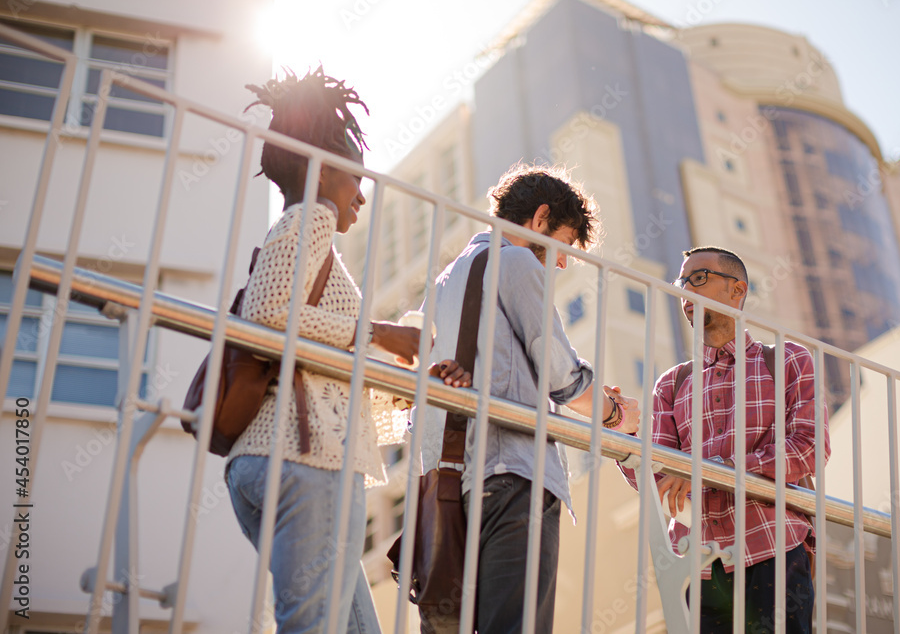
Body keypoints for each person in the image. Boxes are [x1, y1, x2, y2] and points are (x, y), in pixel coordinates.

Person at [224, 68, 420, 634]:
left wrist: (408, 378)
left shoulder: (304, 231)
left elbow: (316, 355)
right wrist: (380, 333)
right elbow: (268, 315)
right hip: (306, 458)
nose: (361, 193)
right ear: (325, 170)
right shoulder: (312, 217)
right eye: (355, 177)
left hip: (276, 459)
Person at [416, 165, 640, 634]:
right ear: (540, 219)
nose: (560, 264)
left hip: (449, 488)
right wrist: (617, 413)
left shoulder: (444, 282)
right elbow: (562, 377)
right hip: (513, 477)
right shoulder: (516, 262)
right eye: (564, 245)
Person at [618, 246, 831, 634]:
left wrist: (717, 470)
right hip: (698, 567)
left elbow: (810, 449)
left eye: (698, 278)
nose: (686, 291)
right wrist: (623, 435)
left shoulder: (787, 360)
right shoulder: (671, 384)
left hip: (773, 550)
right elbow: (655, 482)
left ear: (738, 290)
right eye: (681, 283)